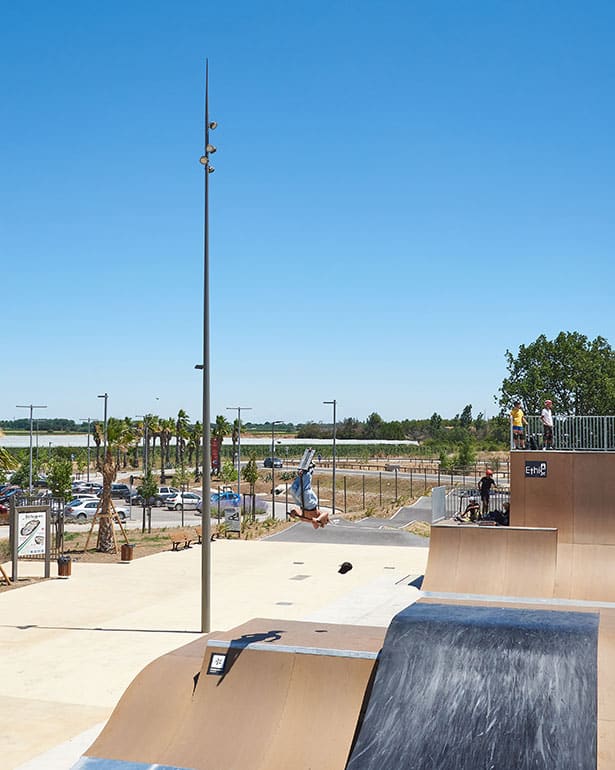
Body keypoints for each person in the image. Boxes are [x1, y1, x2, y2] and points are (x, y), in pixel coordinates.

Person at [289, 464, 329, 529]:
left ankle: (300, 475)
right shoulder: (319, 516)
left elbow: (295, 510)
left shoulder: (304, 519)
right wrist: (317, 519)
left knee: (293, 490)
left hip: (302, 505)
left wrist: (292, 512)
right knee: (304, 490)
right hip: (310, 504)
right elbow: (326, 513)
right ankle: (309, 471)